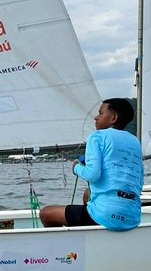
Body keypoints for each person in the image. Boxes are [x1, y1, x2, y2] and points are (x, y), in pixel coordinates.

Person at [39, 98, 143, 230]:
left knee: (46, 214)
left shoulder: (97, 136)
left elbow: (92, 174)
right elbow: (139, 181)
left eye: (100, 113)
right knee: (87, 194)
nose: (96, 117)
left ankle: (71, 242)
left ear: (113, 118)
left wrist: (76, 167)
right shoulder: (135, 141)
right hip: (132, 217)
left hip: (105, 215)